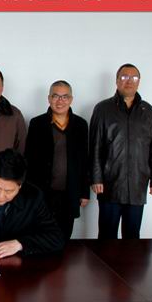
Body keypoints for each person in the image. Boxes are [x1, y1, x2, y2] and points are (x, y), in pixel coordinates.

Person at [89, 63, 152, 239]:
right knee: (107, 237)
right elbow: (95, 146)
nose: (129, 81)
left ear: (139, 81)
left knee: (132, 237)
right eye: (124, 77)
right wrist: (96, 177)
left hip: (137, 184)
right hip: (110, 184)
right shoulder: (103, 109)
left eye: (134, 77)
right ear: (117, 81)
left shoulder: (148, 111)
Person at [25, 80, 90, 240]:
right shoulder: (37, 124)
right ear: (49, 98)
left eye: (65, 96)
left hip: (70, 193)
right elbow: (29, 160)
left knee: (64, 238)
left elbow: (84, 161)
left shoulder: (81, 125)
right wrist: (29, 192)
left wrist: (84, 192)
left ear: (71, 99)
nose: (60, 101)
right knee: (41, 236)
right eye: (55, 96)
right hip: (42, 192)